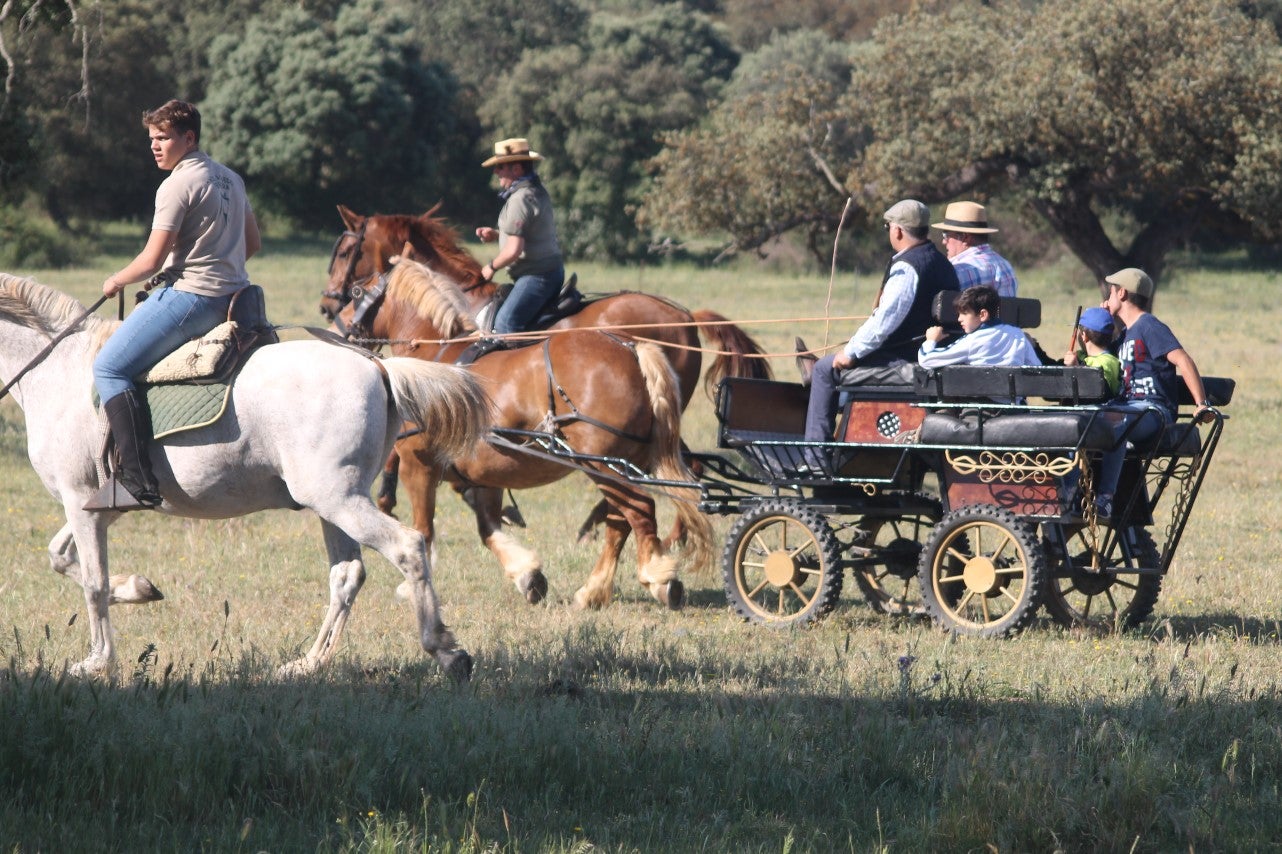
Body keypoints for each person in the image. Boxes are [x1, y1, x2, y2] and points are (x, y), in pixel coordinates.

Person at [88, 99, 260, 511]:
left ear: (189, 138)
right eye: (152, 138)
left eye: (163, 137)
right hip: (236, 300)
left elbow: (150, 260)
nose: (155, 146)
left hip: (192, 299)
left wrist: (116, 280)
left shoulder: (176, 185)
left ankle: (136, 479)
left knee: (108, 368)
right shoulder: (232, 179)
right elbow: (252, 244)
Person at [803, 199, 959, 449]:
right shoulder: (942, 263)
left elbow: (884, 323)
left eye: (888, 227)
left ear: (898, 230)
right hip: (926, 353)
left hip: (903, 359)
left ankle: (815, 455)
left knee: (824, 369)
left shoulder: (909, 267)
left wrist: (850, 353)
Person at [1091, 268, 1214, 516]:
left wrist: (1201, 403)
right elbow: (1098, 355)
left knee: (1116, 421)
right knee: (1085, 420)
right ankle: (1071, 492)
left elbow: (1183, 360)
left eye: (1111, 292)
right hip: (1128, 409)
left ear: (1122, 293)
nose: (1107, 297)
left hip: (1154, 410)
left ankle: (1105, 498)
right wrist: (1101, 323)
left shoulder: (1149, 326)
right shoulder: (1125, 334)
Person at [474, 137, 564, 347]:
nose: (496, 172)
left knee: (505, 323)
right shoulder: (536, 191)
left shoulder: (520, 199)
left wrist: (491, 267)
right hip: (549, 272)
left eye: (500, 167)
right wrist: (498, 235)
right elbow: (530, 233)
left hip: (537, 277)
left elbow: (514, 249)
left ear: (516, 169)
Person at [918, 285, 1040, 369]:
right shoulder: (1017, 334)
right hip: (1013, 399)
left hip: (980, 399)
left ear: (983, 315)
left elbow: (926, 360)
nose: (959, 319)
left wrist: (931, 340)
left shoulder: (972, 341)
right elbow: (1036, 368)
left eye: (964, 313)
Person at [932, 201, 1018, 297]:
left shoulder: (956, 271)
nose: (944, 241)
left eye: (946, 235)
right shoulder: (1006, 266)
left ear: (964, 237)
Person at [1062, 306, 1122, 396]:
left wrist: (1077, 368)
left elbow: (1099, 392)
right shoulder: (1081, 356)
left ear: (1084, 335)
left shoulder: (1107, 362)